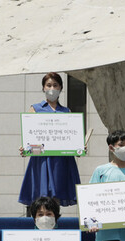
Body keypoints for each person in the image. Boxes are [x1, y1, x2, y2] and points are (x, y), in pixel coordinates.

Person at [18, 72, 80, 208]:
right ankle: (39, 225)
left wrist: (79, 147)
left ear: (61, 88)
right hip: (42, 159)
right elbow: (30, 138)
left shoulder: (66, 111)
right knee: (42, 197)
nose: (52, 88)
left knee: (57, 195)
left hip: (61, 160)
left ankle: (55, 224)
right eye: (49, 85)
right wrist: (26, 148)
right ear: (43, 88)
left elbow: (71, 140)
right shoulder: (35, 109)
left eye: (55, 85)